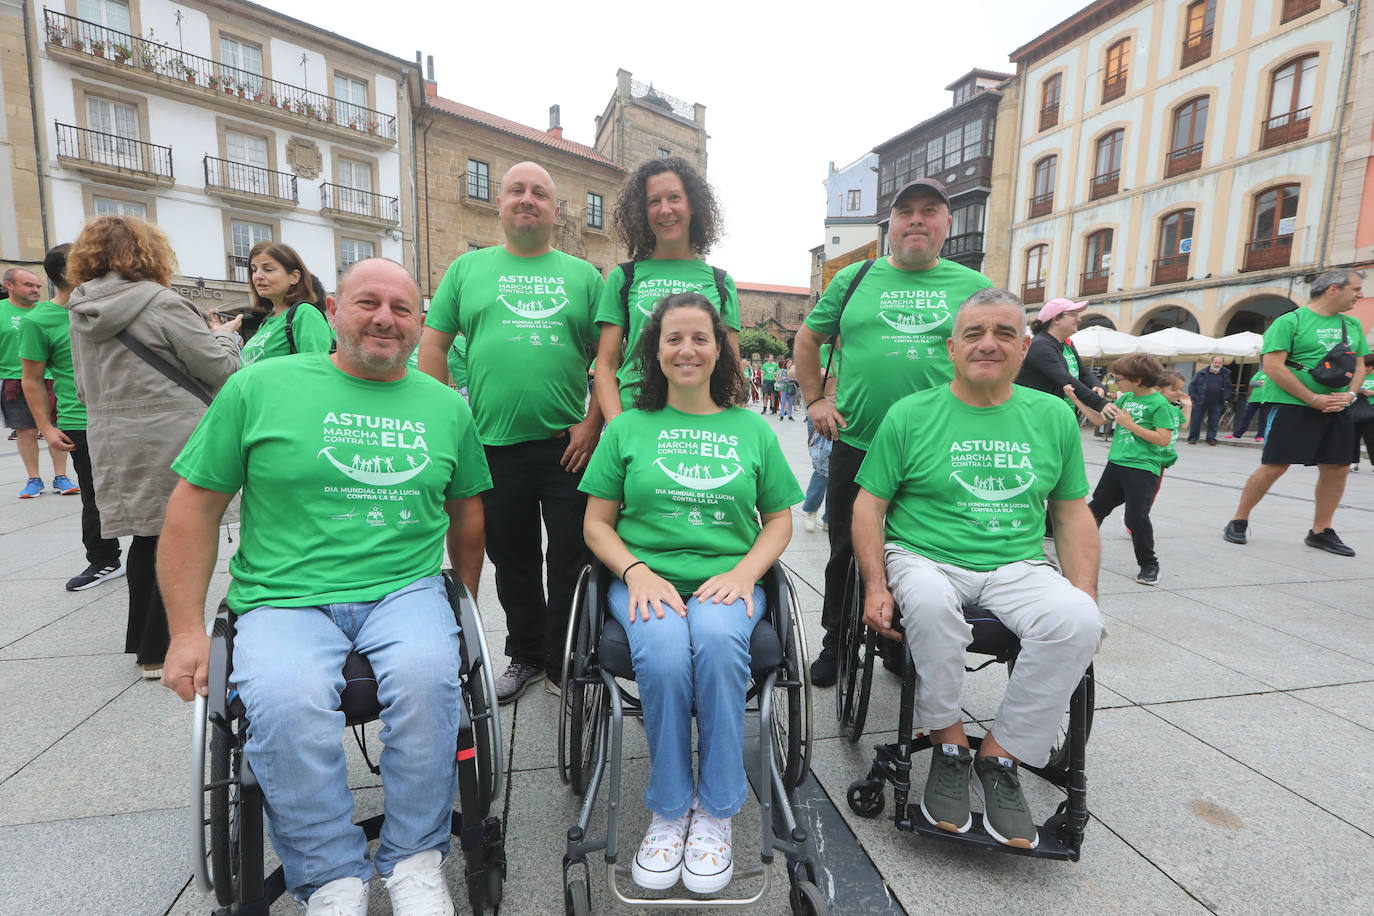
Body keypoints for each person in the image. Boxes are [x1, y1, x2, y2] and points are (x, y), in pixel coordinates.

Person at [159, 258, 489, 916]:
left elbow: (468, 510)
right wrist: (187, 633)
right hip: (284, 594)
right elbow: (193, 508)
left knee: (431, 678)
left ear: (419, 322)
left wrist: (467, 605)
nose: (385, 318)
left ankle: (414, 857)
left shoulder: (446, 406)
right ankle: (331, 873)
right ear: (333, 310)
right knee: (283, 700)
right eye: (369, 302)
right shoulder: (261, 387)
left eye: (402, 308)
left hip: (403, 587)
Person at [852, 288, 1103, 850]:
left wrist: (1083, 593)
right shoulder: (911, 414)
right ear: (952, 347)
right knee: (934, 607)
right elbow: (869, 504)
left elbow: (1070, 513)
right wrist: (874, 583)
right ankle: (947, 742)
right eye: (974, 333)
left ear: (1024, 347)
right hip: (923, 554)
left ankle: (1001, 755)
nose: (988, 343)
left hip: (1015, 561)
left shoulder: (1052, 416)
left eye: (1003, 333)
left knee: (1079, 622)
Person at [580, 293, 801, 895]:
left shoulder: (750, 428)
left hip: (725, 579)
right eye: (673, 338)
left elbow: (779, 520)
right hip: (645, 578)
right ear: (654, 350)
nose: (687, 349)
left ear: (718, 348)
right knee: (667, 653)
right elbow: (596, 523)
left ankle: (718, 812)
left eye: (699, 338)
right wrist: (634, 572)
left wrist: (746, 574)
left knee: (717, 642)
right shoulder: (627, 427)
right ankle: (671, 808)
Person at [417, 161, 604, 702]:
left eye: (540, 192)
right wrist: (438, 421)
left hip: (568, 447)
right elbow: (433, 345)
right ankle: (525, 656)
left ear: (556, 210)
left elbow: (610, 359)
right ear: (499, 203)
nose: (528, 199)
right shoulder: (467, 270)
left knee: (571, 554)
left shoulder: (584, 277)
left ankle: (565, 658)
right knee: (511, 558)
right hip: (489, 445)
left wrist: (592, 422)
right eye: (517, 190)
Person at [794, 178, 993, 686]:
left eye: (930, 211)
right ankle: (835, 643)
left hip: (934, 450)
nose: (917, 221)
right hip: (858, 442)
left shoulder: (972, 288)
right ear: (891, 226)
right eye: (906, 213)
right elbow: (808, 337)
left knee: (919, 551)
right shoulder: (855, 279)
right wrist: (815, 398)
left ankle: (897, 639)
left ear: (947, 223)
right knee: (845, 551)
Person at [66, 216, 242, 678]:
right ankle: (162, 646)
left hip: (112, 435)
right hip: (171, 431)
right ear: (148, 252)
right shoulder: (162, 302)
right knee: (181, 532)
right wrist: (227, 336)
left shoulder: (80, 309)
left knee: (147, 537)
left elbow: (82, 388)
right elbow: (217, 370)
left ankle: (148, 646)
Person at [1224, 269, 1369, 555]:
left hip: (1338, 405)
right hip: (1293, 404)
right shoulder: (1290, 321)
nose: (1360, 294)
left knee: (1338, 467)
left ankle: (1321, 530)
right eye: (1355, 289)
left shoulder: (1351, 324)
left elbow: (1360, 364)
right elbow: (1274, 367)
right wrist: (1312, 398)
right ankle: (1239, 519)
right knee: (1275, 464)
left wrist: (1350, 395)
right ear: (1332, 290)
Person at [593, 156, 740, 419]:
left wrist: (723, 425)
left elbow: (732, 368)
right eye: (654, 201)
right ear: (642, 211)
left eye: (674, 198)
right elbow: (605, 366)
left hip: (701, 420)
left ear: (693, 205)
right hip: (634, 416)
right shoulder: (623, 277)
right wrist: (618, 430)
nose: (665, 210)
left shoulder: (720, 282)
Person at [18, 244, 123, 590]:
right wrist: (46, 428)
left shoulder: (109, 308)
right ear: (71, 273)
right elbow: (31, 380)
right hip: (80, 421)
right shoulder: (39, 321)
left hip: (127, 415)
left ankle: (154, 553)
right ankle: (104, 559)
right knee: (94, 495)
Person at [1085, 354, 1177, 585]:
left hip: (1142, 468)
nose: (1116, 382)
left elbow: (1163, 439)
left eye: (1119, 378)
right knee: (1095, 509)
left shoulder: (1160, 404)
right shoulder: (1126, 398)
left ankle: (1149, 565)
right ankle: (1080, 552)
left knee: (1136, 517)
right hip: (1116, 463)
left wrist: (1130, 426)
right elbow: (1098, 420)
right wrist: (1076, 398)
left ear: (1137, 380)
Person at [3, 266, 77, 498]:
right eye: (28, 285)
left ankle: (61, 477)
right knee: (25, 430)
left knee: (58, 427)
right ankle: (33, 479)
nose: (35, 290)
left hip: (50, 377)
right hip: (13, 378)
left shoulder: (48, 311)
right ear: (9, 286)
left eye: (37, 286)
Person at [237, 242, 333, 365]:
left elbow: (317, 370)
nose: (258, 276)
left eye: (268, 269)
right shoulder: (266, 322)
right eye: (254, 269)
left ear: (294, 277)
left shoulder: (305, 313)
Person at [1015, 298, 1108, 414]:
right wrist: (1100, 404)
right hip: (1038, 416)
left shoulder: (1067, 344)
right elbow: (1065, 379)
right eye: (1073, 315)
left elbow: (1084, 374)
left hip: (1062, 414)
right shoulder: (1040, 345)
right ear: (1056, 319)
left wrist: (1098, 385)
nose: (1078, 319)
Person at [1186, 355, 1233, 445]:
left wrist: (1225, 397)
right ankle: (1193, 438)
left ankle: (1211, 439)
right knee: (1195, 420)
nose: (1217, 364)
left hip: (1217, 402)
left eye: (1219, 363)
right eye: (1215, 362)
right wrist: (1194, 397)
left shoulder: (1225, 374)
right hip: (1200, 400)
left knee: (1214, 421)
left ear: (1222, 363)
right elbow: (1192, 385)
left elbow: (1229, 387)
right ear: (1211, 362)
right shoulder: (1201, 373)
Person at [1227, 368, 1270, 441]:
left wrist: (1260, 383)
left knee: (1263, 418)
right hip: (1254, 398)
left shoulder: (1273, 374)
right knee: (1246, 417)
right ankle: (1237, 434)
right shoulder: (1260, 373)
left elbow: (1271, 385)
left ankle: (1260, 435)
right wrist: (1263, 383)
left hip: (1266, 399)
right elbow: (1252, 382)